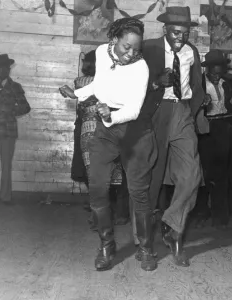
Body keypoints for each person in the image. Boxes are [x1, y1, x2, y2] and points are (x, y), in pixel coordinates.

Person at [59, 18, 158, 271]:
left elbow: (134, 110)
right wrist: (78, 93)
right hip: (106, 130)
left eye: (136, 49)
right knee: (97, 188)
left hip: (135, 130)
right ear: (114, 40)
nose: (131, 53)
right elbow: (101, 83)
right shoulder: (102, 53)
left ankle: (146, 247)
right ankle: (106, 245)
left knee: (138, 191)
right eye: (126, 47)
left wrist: (109, 116)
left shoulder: (141, 68)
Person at [142, 6, 208, 267]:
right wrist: (156, 81)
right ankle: (144, 243)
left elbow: (197, 87)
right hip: (155, 113)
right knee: (151, 177)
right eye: (175, 32)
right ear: (165, 29)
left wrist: (189, 114)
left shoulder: (191, 52)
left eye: (184, 32)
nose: (180, 37)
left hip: (182, 113)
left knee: (192, 175)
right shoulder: (149, 48)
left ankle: (171, 225)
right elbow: (132, 83)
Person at [71, 50, 130, 228]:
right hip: (104, 128)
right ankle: (109, 214)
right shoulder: (93, 81)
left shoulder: (82, 81)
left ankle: (100, 215)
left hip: (88, 131)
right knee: (112, 174)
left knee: (95, 175)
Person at [194, 50, 232, 228]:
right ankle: (201, 211)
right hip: (205, 129)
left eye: (219, 72)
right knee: (204, 173)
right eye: (213, 73)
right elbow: (190, 109)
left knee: (222, 173)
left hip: (223, 128)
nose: (216, 76)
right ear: (207, 70)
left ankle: (220, 215)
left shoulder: (228, 83)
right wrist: (201, 103)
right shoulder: (198, 85)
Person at [0, 54, 31, 203]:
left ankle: (5, 196)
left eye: (6, 68)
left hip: (8, 130)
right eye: (0, 68)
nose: (3, 70)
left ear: (9, 69)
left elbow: (25, 107)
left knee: (6, 164)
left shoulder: (15, 87)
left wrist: (11, 111)